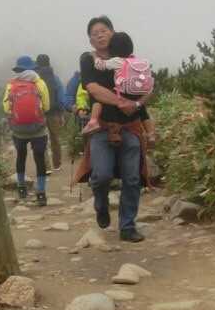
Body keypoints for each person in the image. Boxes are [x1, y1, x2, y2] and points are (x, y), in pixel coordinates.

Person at [80, 17, 150, 241]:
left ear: (112, 33)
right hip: (102, 128)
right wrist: (123, 103)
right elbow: (93, 89)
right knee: (101, 175)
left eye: (103, 30)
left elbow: (144, 89)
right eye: (94, 33)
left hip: (130, 127)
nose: (99, 35)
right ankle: (101, 204)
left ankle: (127, 227)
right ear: (90, 40)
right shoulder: (88, 59)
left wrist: (137, 107)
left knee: (132, 178)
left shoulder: (128, 59)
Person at [80, 32, 157, 143]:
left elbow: (100, 65)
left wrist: (94, 56)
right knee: (142, 111)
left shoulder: (117, 61)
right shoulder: (138, 60)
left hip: (123, 90)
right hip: (138, 92)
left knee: (103, 95)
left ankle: (97, 123)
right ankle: (150, 133)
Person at [2, 55, 51, 206]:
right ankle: (41, 193)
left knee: (21, 156)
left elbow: (6, 107)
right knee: (39, 158)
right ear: (32, 68)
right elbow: (47, 106)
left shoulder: (11, 84)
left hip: (18, 129)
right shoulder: (39, 82)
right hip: (38, 128)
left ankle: (21, 188)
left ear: (18, 69)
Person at [33, 53, 66, 170]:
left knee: (41, 139)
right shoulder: (55, 78)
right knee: (55, 138)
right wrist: (61, 114)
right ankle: (57, 164)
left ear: (37, 64)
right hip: (54, 113)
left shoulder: (35, 79)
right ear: (49, 63)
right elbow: (61, 97)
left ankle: (45, 166)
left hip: (39, 114)